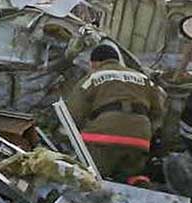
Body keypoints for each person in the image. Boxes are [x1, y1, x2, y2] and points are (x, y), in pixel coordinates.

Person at [66, 44, 165, 184]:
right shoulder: (144, 79)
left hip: (103, 138)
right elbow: (159, 111)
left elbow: (73, 113)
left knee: (92, 180)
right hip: (139, 139)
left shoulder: (93, 77)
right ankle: (136, 185)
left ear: (94, 63)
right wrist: (147, 133)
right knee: (129, 179)